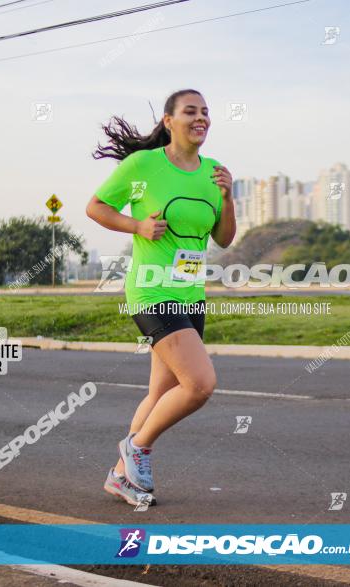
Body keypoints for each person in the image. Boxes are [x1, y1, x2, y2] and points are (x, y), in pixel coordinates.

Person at [87, 89, 235, 506]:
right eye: (190, 111)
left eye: (206, 112)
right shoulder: (143, 165)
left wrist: (227, 198)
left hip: (190, 294)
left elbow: (222, 238)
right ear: (169, 121)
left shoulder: (214, 172)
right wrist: (136, 226)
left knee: (159, 392)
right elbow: (96, 207)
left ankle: (120, 477)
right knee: (201, 383)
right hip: (152, 291)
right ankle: (137, 449)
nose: (200, 118)